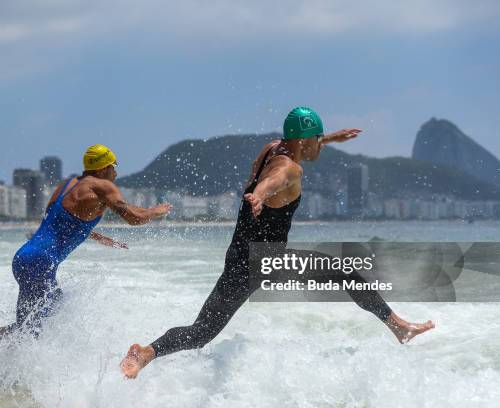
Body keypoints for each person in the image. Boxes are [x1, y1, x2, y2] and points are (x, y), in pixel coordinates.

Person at [120, 107, 435, 379]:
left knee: (201, 331)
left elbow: (284, 159)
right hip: (269, 260)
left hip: (240, 260)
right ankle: (399, 327)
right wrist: (258, 196)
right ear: (303, 141)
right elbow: (275, 181)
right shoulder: (289, 168)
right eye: (317, 140)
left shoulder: (272, 149)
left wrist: (331, 137)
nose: (320, 147)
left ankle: (146, 353)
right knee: (346, 273)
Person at [0, 145, 171, 352]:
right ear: (103, 168)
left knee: (50, 313)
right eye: (114, 167)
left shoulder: (67, 185)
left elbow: (59, 223)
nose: (115, 173)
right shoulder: (103, 186)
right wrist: (156, 211)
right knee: (30, 331)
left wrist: (96, 236)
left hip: (24, 257)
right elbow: (134, 218)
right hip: (41, 262)